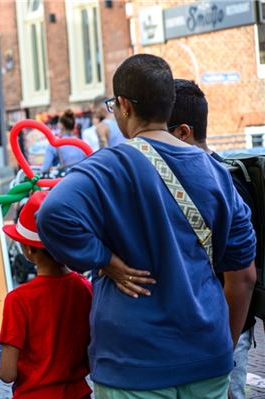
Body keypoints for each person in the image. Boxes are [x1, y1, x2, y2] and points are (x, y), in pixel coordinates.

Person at [37, 54, 256, 397]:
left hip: (134, 360)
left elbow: (52, 214)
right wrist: (221, 347)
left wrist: (105, 260)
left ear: (124, 105)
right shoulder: (218, 173)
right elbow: (243, 276)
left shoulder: (108, 167)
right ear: (168, 105)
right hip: (207, 357)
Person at [166, 79, 257, 399]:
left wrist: (225, 345)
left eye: (161, 134)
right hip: (218, 327)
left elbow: (243, 275)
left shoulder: (220, 185)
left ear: (182, 133)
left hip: (225, 327)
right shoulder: (225, 179)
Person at [0, 191, 93, 399]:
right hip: (79, 393)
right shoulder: (85, 288)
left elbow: (7, 373)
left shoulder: (19, 300)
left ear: (29, 251)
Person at [40, 109, 87, 174]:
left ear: (61, 125)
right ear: (73, 125)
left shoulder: (54, 144)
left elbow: (44, 169)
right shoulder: (82, 143)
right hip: (84, 178)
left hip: (68, 180)